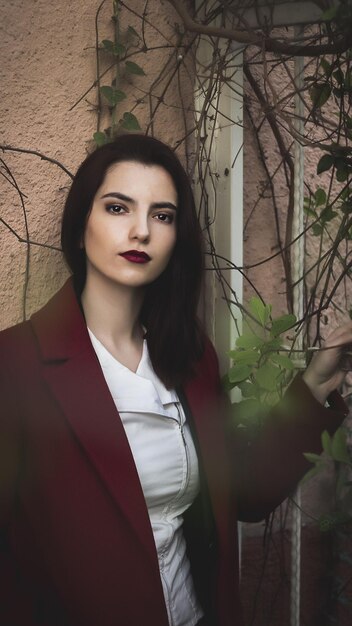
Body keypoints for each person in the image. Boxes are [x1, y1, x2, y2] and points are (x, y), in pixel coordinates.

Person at [0, 133, 350, 626]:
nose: (141, 230)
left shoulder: (190, 359)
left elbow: (242, 494)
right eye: (118, 208)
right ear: (80, 229)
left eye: (162, 216)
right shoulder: (14, 366)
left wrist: (314, 386)